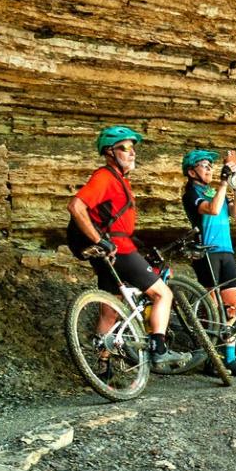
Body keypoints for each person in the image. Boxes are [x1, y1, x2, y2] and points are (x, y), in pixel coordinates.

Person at [66, 126, 190, 374]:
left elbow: (116, 222)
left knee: (110, 312)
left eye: (133, 148)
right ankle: (159, 349)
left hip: (109, 252)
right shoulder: (105, 178)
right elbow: (76, 206)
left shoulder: (119, 180)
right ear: (109, 152)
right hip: (117, 250)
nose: (131, 153)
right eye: (124, 148)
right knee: (162, 294)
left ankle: (103, 368)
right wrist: (99, 239)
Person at [182, 147, 236, 378]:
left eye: (211, 166)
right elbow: (212, 210)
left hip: (226, 251)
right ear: (192, 172)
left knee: (230, 309)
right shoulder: (192, 193)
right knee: (213, 311)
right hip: (207, 253)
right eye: (204, 166)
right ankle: (212, 359)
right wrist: (223, 184)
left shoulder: (216, 191)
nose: (210, 169)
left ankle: (230, 360)